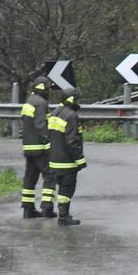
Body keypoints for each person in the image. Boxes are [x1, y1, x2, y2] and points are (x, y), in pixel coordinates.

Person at [46, 88, 85, 226]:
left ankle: (63, 215)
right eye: (76, 99)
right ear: (72, 99)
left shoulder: (54, 113)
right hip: (67, 161)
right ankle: (63, 216)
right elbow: (72, 141)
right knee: (67, 188)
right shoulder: (71, 116)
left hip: (54, 160)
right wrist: (80, 159)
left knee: (62, 187)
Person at [19, 78, 56, 219]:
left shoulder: (29, 101)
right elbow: (41, 125)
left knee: (30, 177)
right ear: (45, 89)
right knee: (50, 175)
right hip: (40, 147)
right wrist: (48, 143)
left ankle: (28, 209)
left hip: (28, 147)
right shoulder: (41, 103)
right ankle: (47, 208)